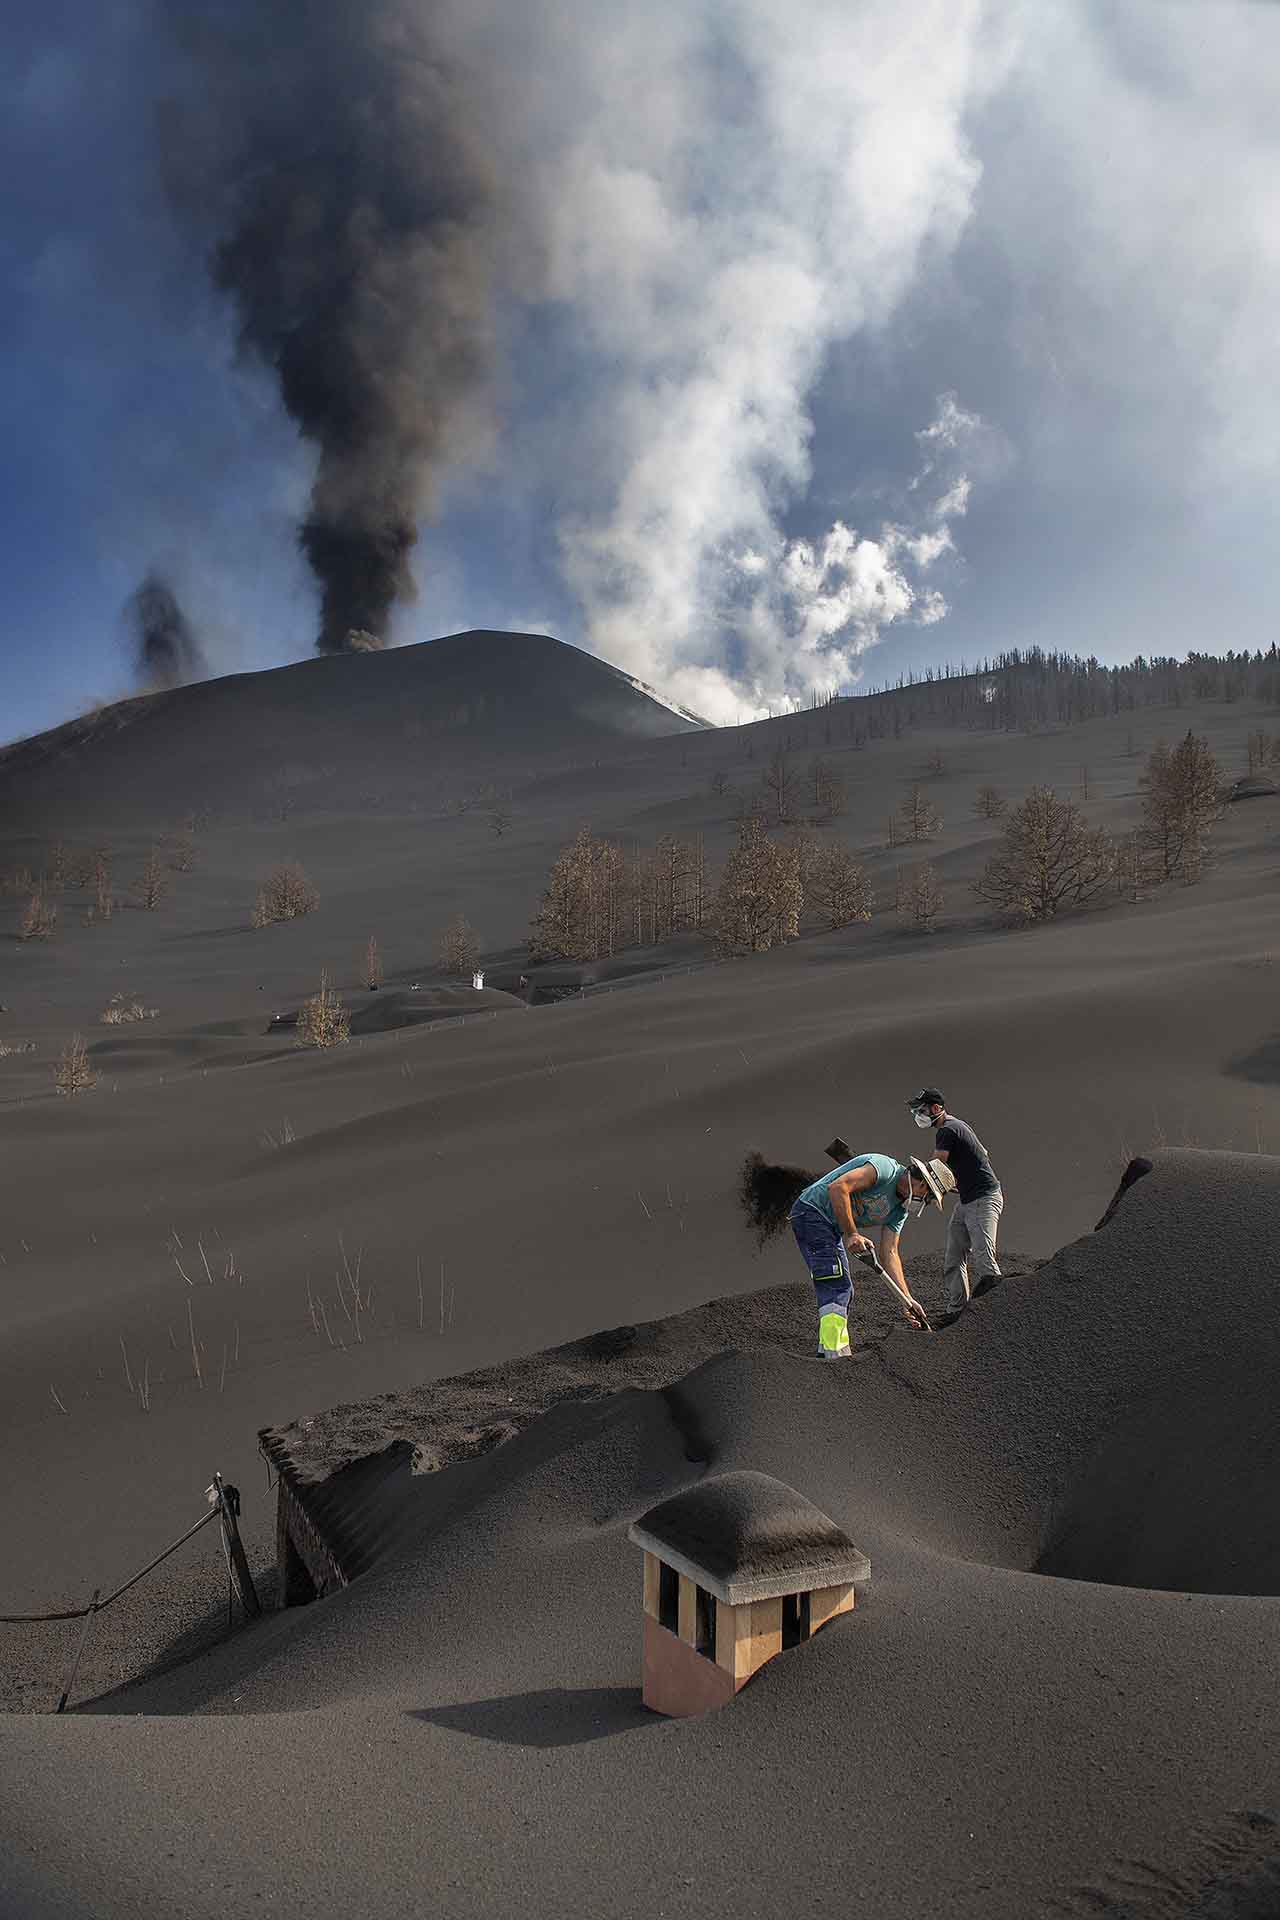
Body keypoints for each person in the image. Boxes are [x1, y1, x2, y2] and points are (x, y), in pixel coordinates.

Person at [790, 1154, 947, 1359]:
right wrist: (853, 1234)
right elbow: (838, 1188)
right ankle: (835, 1354)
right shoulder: (884, 1169)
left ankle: (827, 1351)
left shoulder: (899, 1211)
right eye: (928, 1198)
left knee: (839, 1286)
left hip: (829, 1227)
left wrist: (906, 1299)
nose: (924, 1203)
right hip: (812, 1213)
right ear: (922, 1184)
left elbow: (890, 1252)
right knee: (838, 1286)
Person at [907, 1088, 1003, 1328]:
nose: (918, 1115)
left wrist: (912, 1181)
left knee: (984, 1260)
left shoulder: (948, 1130)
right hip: (968, 1200)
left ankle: (997, 1315)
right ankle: (957, 1313)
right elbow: (982, 1154)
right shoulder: (954, 1127)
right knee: (954, 1256)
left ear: (936, 1108)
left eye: (922, 1110)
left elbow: (934, 1168)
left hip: (983, 1200)